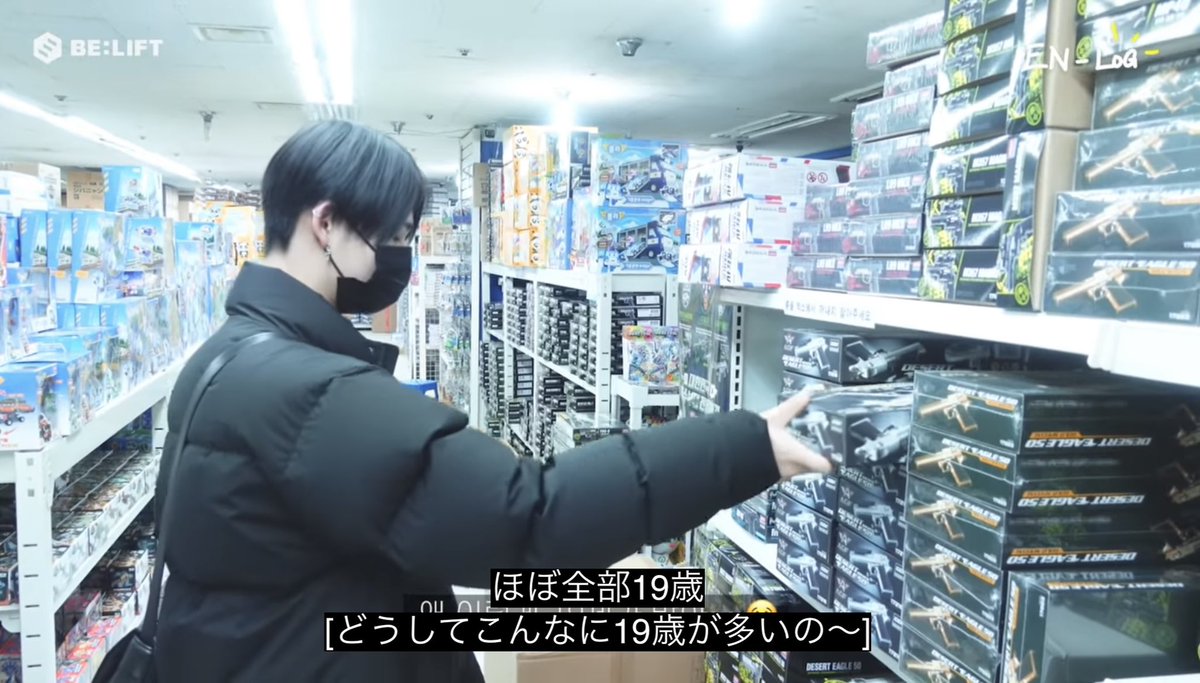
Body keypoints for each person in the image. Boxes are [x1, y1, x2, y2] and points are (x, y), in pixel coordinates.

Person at [153, 119, 831, 683]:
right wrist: (744, 446)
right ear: (326, 222)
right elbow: (530, 516)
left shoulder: (223, 355)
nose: (400, 256)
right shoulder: (310, 391)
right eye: (394, 237)